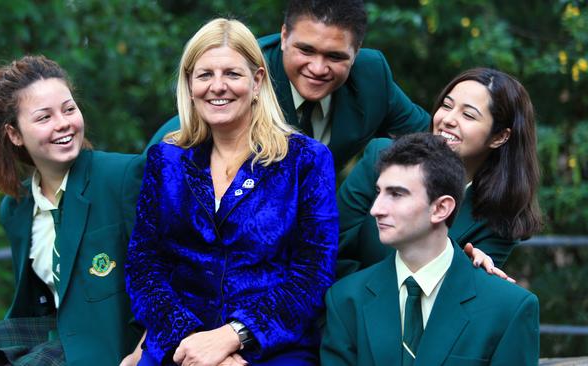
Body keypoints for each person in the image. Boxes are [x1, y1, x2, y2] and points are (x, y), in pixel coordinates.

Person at [126, 18, 338, 366]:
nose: (217, 86)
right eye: (205, 75)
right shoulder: (167, 160)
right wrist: (193, 342)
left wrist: (234, 336)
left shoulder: (306, 160)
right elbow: (144, 265)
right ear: (190, 85)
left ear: (257, 81)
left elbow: (312, 276)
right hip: (180, 343)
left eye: (232, 74)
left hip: (271, 347)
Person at [0, 56, 143, 365]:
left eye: (69, 109)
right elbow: (35, 303)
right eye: (44, 117)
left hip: (111, 336)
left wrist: (141, 353)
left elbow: (169, 274)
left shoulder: (121, 176)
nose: (63, 123)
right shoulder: (16, 209)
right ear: (14, 134)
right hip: (56, 329)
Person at [321, 133, 540, 366]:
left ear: (440, 208)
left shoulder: (508, 307)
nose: (376, 209)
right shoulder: (345, 300)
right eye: (379, 192)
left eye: (396, 194)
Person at [147, 0, 431, 173]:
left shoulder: (372, 75)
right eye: (305, 51)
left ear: (356, 52)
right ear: (284, 37)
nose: (318, 69)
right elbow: (181, 131)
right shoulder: (243, 75)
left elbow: (431, 140)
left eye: (334, 56)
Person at [337, 68, 542, 278]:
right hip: (344, 301)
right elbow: (333, 246)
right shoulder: (381, 157)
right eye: (446, 105)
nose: (448, 119)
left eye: (468, 115)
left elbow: (460, 295)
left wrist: (467, 270)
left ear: (499, 137)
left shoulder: (501, 217)